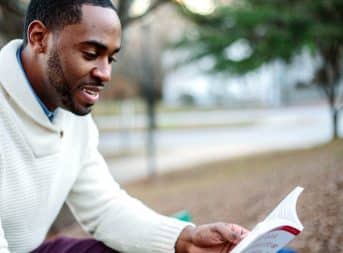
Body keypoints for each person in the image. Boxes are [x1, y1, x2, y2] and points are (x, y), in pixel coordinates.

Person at [0, 0, 249, 252]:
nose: (105, 73)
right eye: (90, 54)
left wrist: (186, 239)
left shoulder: (72, 114)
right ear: (39, 38)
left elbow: (104, 208)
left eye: (111, 58)